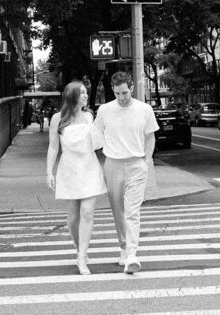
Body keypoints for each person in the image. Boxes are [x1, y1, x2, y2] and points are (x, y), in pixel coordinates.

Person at [94, 70, 159, 275]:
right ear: (113, 91)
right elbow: (96, 136)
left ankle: (131, 254)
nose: (121, 97)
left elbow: (150, 137)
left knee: (132, 210)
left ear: (131, 88)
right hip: (112, 164)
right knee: (118, 210)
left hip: (136, 164)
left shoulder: (144, 109)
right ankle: (123, 247)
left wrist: (146, 161)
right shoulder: (104, 110)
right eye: (117, 93)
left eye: (125, 93)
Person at [45, 80, 106, 275]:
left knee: (87, 212)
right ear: (72, 96)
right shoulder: (57, 118)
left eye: (86, 92)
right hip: (69, 169)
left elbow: (98, 142)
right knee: (73, 217)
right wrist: (48, 171)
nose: (86, 96)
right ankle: (79, 248)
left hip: (89, 167)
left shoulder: (89, 115)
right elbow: (53, 147)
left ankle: (82, 257)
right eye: (82, 93)